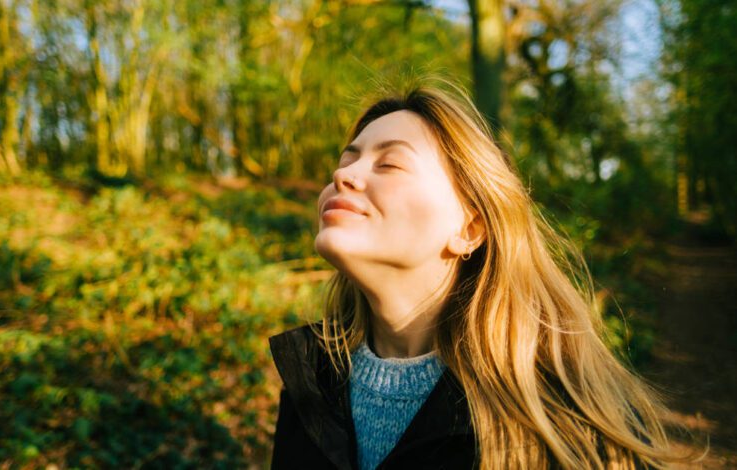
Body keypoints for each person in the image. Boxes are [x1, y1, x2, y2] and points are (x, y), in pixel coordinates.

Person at [268, 76, 691, 469]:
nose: (343, 175)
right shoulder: (310, 386)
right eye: (347, 160)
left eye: (389, 164)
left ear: (469, 229)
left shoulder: (564, 422)